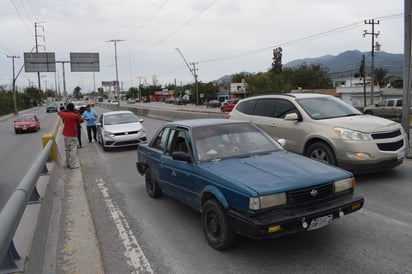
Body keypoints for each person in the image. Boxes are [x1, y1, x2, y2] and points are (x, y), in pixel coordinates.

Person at [58, 103, 84, 169]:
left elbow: (59, 112)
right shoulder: (75, 115)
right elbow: (82, 120)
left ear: (67, 108)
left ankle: (68, 163)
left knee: (67, 149)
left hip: (65, 134)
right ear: (73, 108)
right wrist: (76, 112)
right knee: (73, 149)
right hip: (73, 134)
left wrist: (65, 110)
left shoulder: (63, 114)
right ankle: (73, 164)